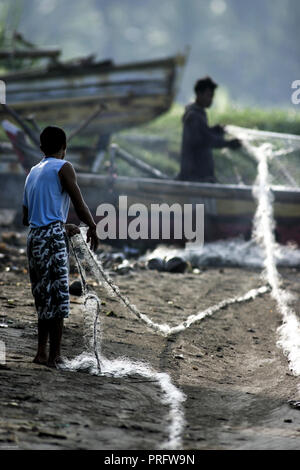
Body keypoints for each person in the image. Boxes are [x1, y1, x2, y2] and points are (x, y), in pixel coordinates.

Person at [22, 126, 98, 368]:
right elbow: (79, 202)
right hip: (51, 239)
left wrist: (60, 224)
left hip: (33, 237)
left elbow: (28, 217)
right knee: (58, 297)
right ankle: (55, 356)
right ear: (64, 148)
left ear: (42, 148)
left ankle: (41, 353)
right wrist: (92, 226)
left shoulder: (32, 171)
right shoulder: (63, 167)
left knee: (43, 295)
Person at [178, 76, 241, 183]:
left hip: (201, 176)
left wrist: (215, 130)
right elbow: (204, 140)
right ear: (199, 94)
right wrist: (228, 143)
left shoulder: (199, 114)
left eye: (212, 96)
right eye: (208, 96)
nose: (211, 99)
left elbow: (203, 135)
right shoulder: (193, 116)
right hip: (194, 177)